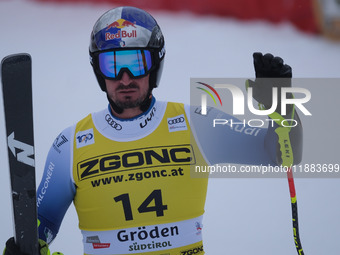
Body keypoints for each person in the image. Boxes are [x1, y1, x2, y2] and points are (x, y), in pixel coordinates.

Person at [4, 6, 302, 255]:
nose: (125, 78)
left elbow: (281, 154)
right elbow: (40, 224)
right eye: (112, 65)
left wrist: (282, 102)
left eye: (137, 62)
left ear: (155, 64)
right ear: (98, 71)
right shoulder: (70, 144)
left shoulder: (196, 123)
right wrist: (27, 246)